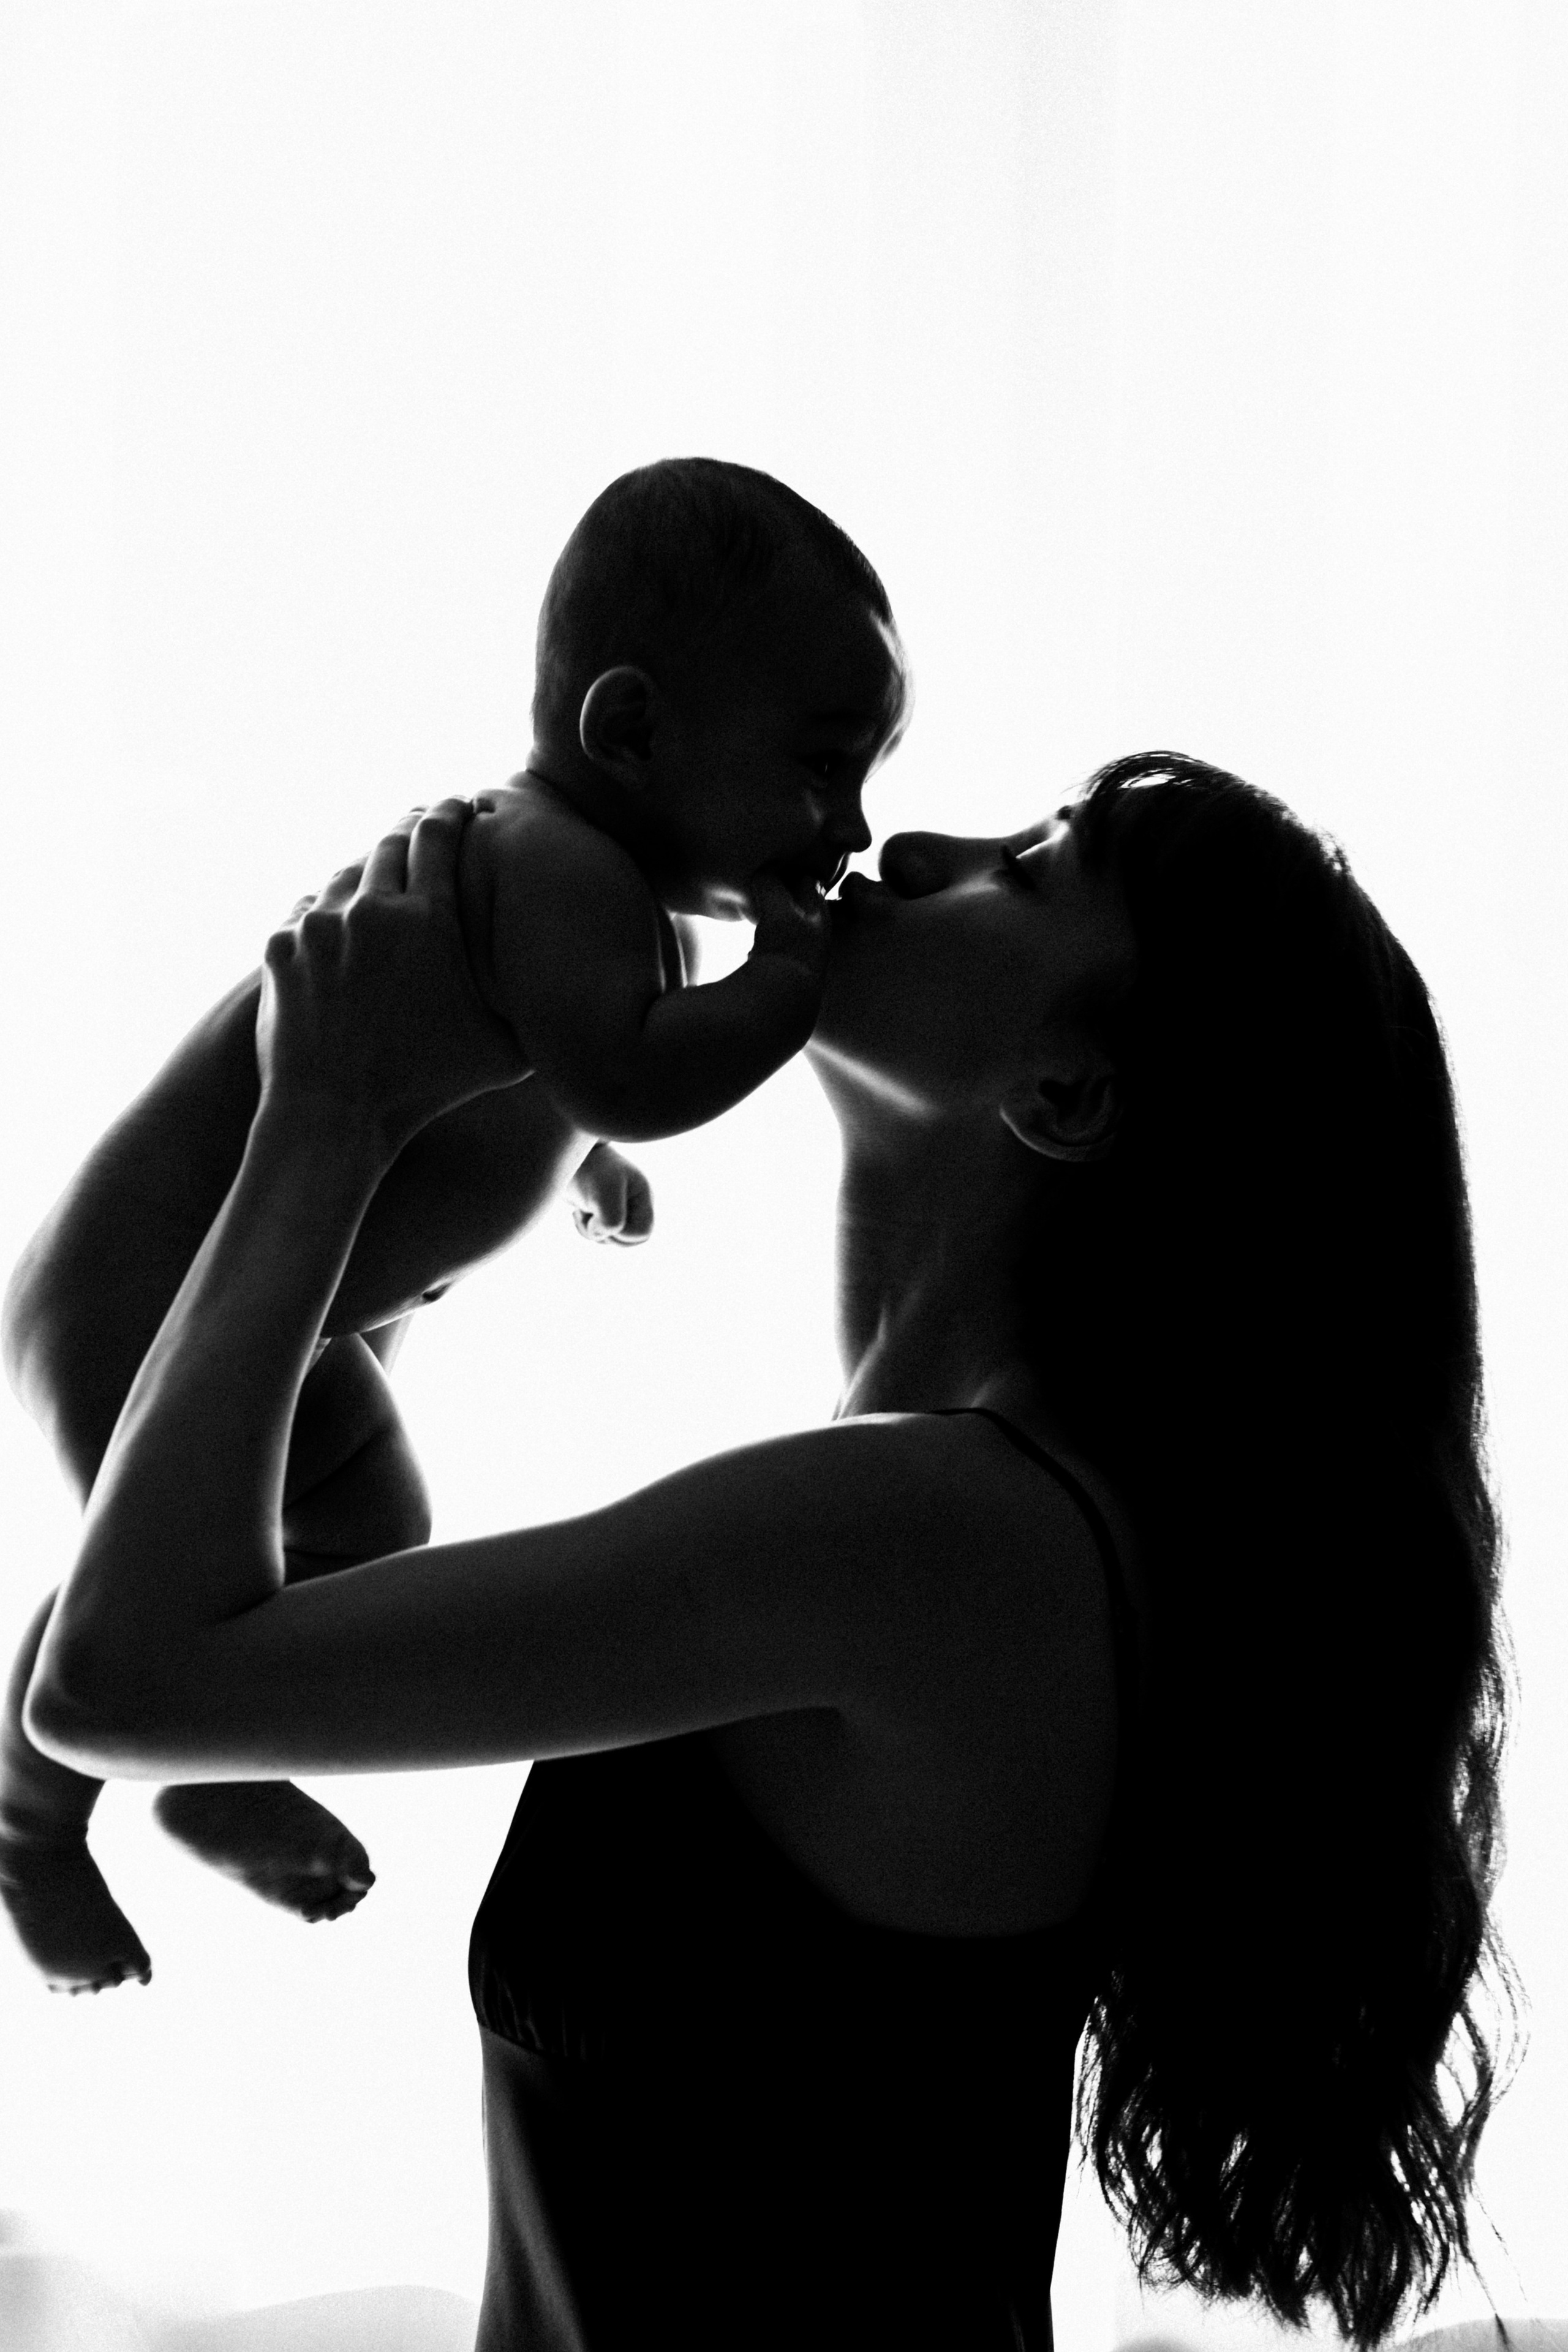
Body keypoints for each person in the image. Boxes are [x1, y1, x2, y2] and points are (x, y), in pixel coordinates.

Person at [21, 758, 1512, 2350]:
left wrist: (321, 1107)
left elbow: (124, 1680)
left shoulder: (942, 1546)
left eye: (1025, 871)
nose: (919, 843)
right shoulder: (949, 1532)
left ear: (1069, 1095)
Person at [0, 457, 909, 1994]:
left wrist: (572, 1157)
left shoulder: (593, 881)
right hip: (145, 1290)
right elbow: (624, 1062)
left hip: (224, 1304)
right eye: (820, 768)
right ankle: (32, 1817)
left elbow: (545, 1069)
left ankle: (198, 1764)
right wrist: (787, 983)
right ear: (628, 730)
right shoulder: (551, 860)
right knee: (181, 1575)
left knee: (355, 1544)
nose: (852, 823)